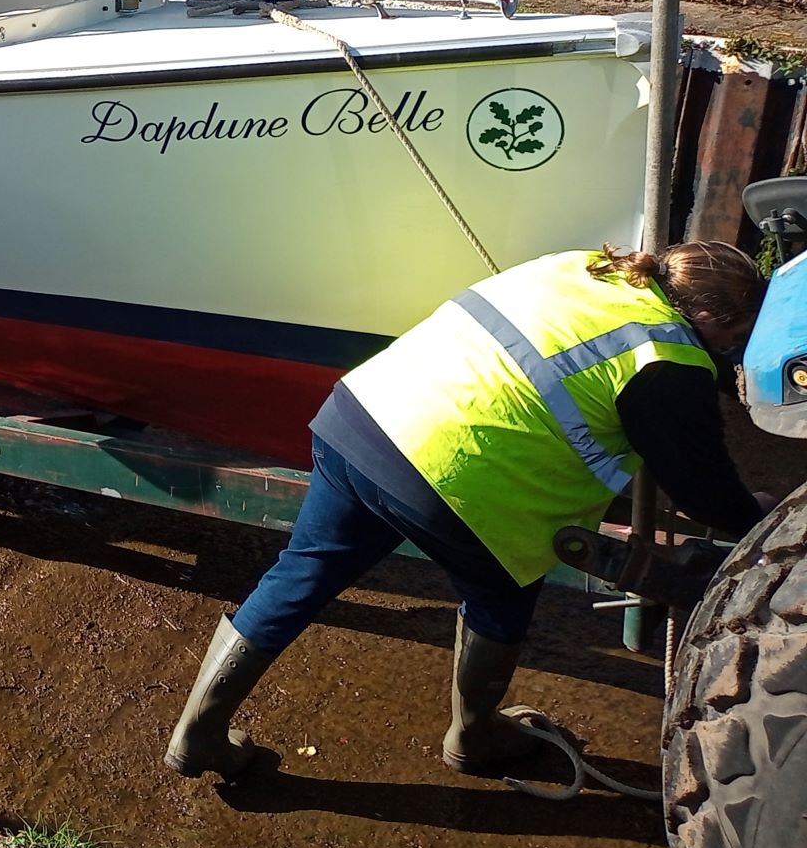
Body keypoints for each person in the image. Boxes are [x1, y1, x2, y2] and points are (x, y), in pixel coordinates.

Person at [165, 241, 776, 782]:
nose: (732, 349)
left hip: (364, 417)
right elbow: (701, 490)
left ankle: (197, 734)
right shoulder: (668, 359)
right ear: (706, 318)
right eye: (735, 334)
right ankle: (475, 735)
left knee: (303, 570)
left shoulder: (586, 266)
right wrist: (764, 521)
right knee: (500, 597)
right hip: (449, 479)